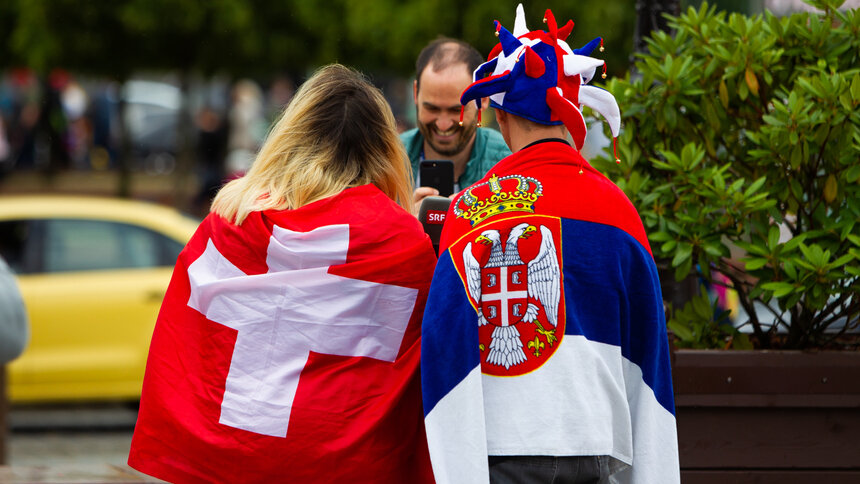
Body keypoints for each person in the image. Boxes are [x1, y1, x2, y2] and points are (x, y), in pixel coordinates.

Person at [128, 64, 437, 483]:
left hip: (229, 457)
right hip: (341, 465)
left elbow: (183, 339)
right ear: (384, 146)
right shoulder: (400, 241)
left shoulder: (230, 219)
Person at [420, 5, 680, 484]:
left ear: (497, 114)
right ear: (575, 112)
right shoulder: (619, 211)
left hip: (500, 453)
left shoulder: (469, 211)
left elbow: (445, 353)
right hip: (598, 449)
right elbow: (650, 368)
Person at [402, 38, 511, 211]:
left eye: (456, 111)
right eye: (432, 108)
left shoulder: (509, 164)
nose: (443, 124)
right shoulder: (385, 161)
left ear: (483, 98)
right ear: (416, 94)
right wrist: (405, 225)